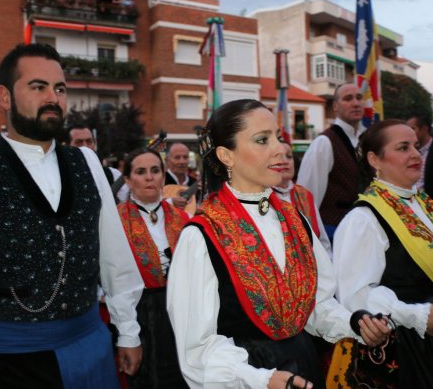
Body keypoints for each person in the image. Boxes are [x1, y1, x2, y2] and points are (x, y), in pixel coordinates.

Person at [0, 43, 144, 388]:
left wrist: (128, 330)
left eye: (60, 88)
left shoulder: (89, 163)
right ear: (4, 97)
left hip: (90, 348)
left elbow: (113, 253)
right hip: (8, 363)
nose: (53, 97)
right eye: (38, 87)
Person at [167, 99, 390, 389]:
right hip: (246, 376)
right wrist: (261, 379)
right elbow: (196, 347)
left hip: (304, 364)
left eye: (278, 137)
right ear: (226, 155)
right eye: (262, 140)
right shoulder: (201, 235)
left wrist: (353, 323)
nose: (278, 150)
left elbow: (315, 304)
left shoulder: (295, 219)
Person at [333, 119, 433, 388]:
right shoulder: (363, 219)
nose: (415, 154)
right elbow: (356, 295)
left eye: (415, 146)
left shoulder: (425, 205)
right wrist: (418, 314)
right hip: (408, 343)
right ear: (374, 160)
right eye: (403, 148)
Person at [117, 148, 189, 389]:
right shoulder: (115, 221)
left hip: (181, 314)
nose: (149, 177)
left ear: (163, 175)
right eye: (140, 171)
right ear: (127, 179)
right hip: (139, 315)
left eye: (155, 171)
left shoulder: (183, 219)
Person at [297, 83, 365, 241]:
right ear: (335, 106)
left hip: (360, 233)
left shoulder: (363, 140)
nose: (355, 103)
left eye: (359, 98)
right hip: (333, 235)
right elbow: (306, 198)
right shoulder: (324, 142)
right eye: (348, 98)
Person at [273, 141, 332, 255]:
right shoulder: (261, 196)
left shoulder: (304, 195)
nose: (285, 161)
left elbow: (322, 241)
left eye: (289, 157)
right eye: (278, 157)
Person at [164, 142, 196, 210]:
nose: (182, 161)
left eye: (185, 157)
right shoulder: (159, 181)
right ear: (167, 161)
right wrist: (170, 202)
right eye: (177, 157)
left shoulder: (195, 183)